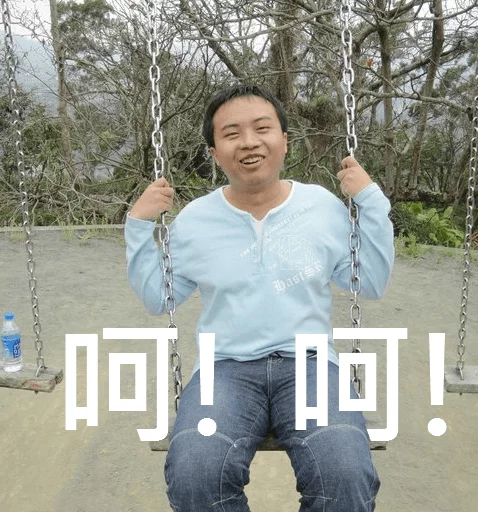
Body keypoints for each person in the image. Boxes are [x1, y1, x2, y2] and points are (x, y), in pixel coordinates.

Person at [125, 84, 394, 512]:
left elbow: (372, 281)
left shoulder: (321, 207)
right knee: (195, 475)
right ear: (215, 153)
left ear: (284, 141)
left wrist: (371, 201)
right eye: (231, 134)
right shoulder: (195, 221)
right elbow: (160, 297)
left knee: (344, 475)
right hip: (224, 369)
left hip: (310, 365)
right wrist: (139, 225)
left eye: (262, 128)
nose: (249, 142)